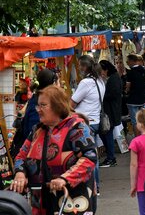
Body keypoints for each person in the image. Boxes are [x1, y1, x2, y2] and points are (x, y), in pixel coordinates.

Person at [11, 85, 97, 214]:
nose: (38, 110)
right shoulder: (37, 130)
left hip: (72, 199)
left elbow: (89, 158)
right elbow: (21, 156)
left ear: (58, 106)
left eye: (43, 105)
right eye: (37, 106)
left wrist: (65, 178)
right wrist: (20, 173)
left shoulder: (76, 127)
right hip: (41, 201)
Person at [71, 55, 105, 193]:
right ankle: (96, 187)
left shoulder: (86, 82)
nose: (79, 69)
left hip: (86, 122)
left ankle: (93, 187)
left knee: (87, 157)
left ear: (85, 67)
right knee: (93, 154)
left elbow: (71, 103)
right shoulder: (100, 81)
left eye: (80, 66)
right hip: (95, 121)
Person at [11, 69, 59, 159]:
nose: (58, 85)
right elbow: (33, 130)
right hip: (34, 152)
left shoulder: (37, 98)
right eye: (57, 82)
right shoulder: (39, 101)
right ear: (52, 84)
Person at [99, 60, 122, 168]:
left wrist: (101, 96)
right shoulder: (114, 77)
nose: (102, 73)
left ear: (106, 69)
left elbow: (113, 94)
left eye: (102, 71)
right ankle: (110, 157)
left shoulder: (113, 79)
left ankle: (111, 158)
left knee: (107, 134)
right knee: (106, 134)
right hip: (111, 111)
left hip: (110, 111)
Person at [126, 54, 145, 135]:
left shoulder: (130, 72)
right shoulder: (144, 70)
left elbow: (128, 86)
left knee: (135, 122)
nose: (127, 62)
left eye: (128, 61)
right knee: (143, 120)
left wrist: (126, 91)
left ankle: (138, 139)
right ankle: (144, 136)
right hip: (143, 98)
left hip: (133, 100)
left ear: (132, 61)